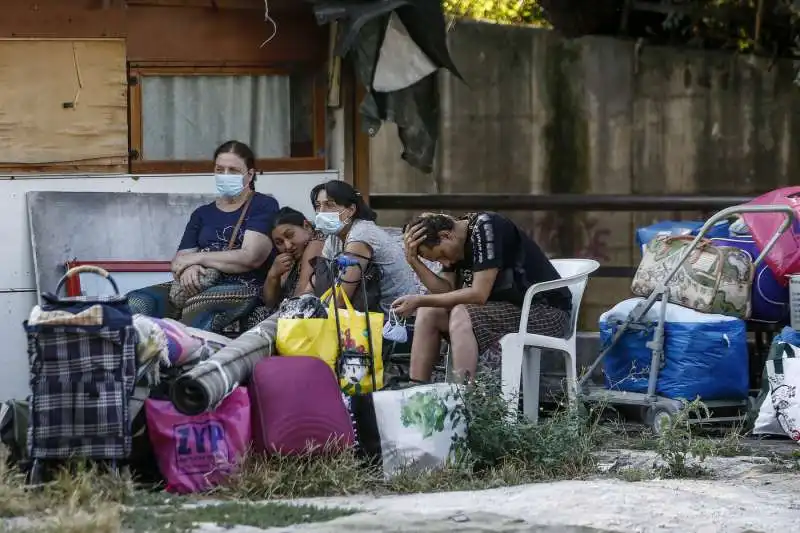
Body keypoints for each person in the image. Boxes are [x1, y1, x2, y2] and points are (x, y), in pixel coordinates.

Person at [392, 212, 572, 382]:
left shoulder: (486, 228)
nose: (446, 263)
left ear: (447, 235)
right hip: (507, 312)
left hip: (546, 313)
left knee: (461, 313)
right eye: (438, 261)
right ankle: (414, 396)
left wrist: (419, 299)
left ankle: (461, 401)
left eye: (442, 255)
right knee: (429, 312)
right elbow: (445, 292)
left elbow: (478, 294)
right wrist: (414, 263)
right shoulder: (456, 242)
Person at [128, 140, 279, 333]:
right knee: (137, 301)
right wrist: (190, 268)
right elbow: (178, 262)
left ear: (250, 174)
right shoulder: (202, 213)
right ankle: (140, 358)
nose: (225, 175)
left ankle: (183, 357)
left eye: (233, 170)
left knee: (200, 305)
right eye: (219, 169)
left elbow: (251, 257)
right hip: (201, 284)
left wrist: (198, 258)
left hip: (243, 287)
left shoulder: (263, 205)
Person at [308, 180, 417, 314]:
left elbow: (342, 298)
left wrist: (312, 313)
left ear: (351, 210)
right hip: (367, 317)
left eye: (330, 205)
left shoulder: (362, 234)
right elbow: (320, 278)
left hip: (395, 323)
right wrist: (303, 301)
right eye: (318, 206)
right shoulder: (334, 237)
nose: (321, 211)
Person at [262, 207, 325, 309]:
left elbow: (302, 295)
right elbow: (269, 302)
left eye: (290, 235)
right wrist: (273, 274)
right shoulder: (291, 258)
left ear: (307, 226)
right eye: (279, 242)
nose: (288, 246)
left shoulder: (315, 245)